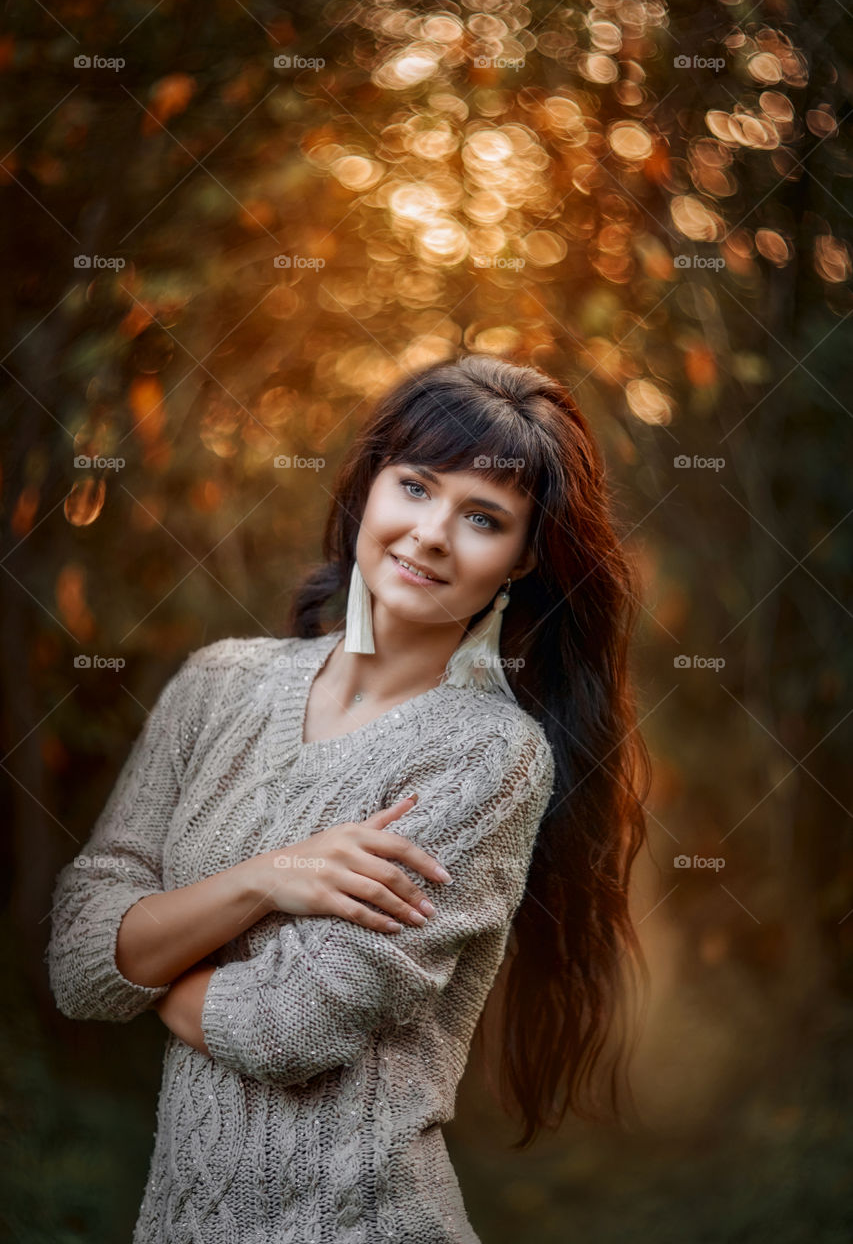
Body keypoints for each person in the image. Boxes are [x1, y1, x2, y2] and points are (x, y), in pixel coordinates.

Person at [46, 354, 651, 1243]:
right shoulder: (217, 685)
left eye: (482, 517)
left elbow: (289, 1025)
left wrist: (145, 960)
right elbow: (74, 959)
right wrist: (270, 878)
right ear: (368, 490)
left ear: (523, 559)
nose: (432, 533)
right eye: (414, 486)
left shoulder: (488, 757)